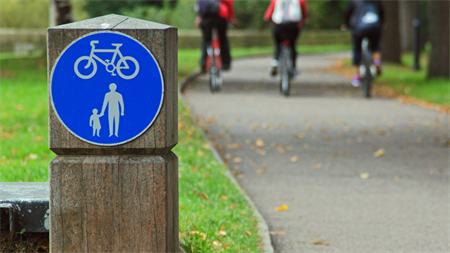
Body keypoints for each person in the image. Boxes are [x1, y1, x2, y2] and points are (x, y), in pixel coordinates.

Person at [343, 0, 384, 87]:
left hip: (358, 29)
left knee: (357, 50)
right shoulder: (376, 1)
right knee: (375, 46)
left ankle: (356, 76)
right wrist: (383, 24)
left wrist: (346, 24)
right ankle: (377, 62)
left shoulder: (354, 1)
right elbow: (381, 12)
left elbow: (347, 13)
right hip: (375, 28)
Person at [264, 0, 308, 76]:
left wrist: (269, 21)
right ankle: (293, 67)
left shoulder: (276, 0)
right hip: (293, 26)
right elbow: (304, 14)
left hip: (279, 26)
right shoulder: (300, 1)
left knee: (278, 45)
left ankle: (275, 62)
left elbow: (267, 16)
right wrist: (303, 22)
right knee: (292, 45)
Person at [195, 0, 234, 72]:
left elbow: (200, 4)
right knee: (223, 38)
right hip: (221, 16)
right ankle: (226, 63)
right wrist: (230, 19)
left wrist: (199, 17)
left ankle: (203, 62)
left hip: (206, 18)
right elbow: (229, 3)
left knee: (206, 40)